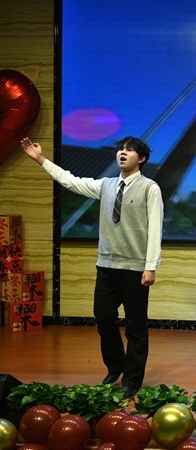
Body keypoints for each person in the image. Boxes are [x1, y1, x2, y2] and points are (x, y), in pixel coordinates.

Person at [20, 136, 163, 398]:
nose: (122, 153)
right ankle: (116, 366)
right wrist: (41, 159)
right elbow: (71, 181)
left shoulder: (150, 188)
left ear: (141, 158)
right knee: (104, 318)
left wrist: (151, 266)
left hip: (134, 268)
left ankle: (132, 380)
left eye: (130, 150)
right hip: (106, 265)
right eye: (120, 149)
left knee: (135, 325)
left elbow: (155, 229)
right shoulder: (106, 185)